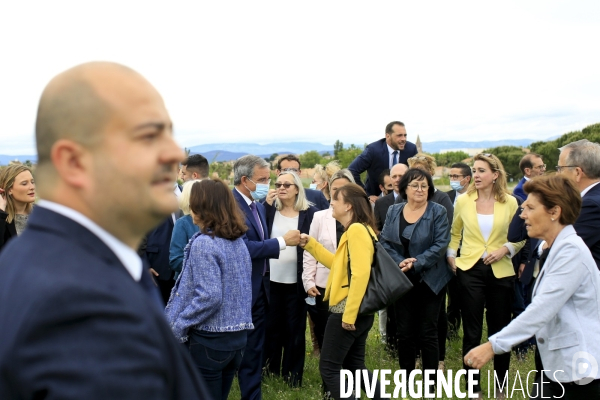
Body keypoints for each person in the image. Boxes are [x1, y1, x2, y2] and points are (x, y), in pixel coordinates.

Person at [0, 62, 208, 398]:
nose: (173, 154)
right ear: (74, 162)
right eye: (149, 136)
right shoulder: (77, 304)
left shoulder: (65, 260)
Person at [465, 175, 600, 399]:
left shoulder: (571, 251)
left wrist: (492, 346)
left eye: (530, 208)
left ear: (554, 212)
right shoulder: (553, 247)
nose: (523, 214)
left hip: (579, 373)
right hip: (558, 369)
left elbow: (542, 309)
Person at [166, 179, 253, 400]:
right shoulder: (237, 241)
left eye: (194, 204)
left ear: (204, 208)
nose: (190, 210)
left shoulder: (205, 243)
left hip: (209, 341)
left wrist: (180, 325)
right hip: (237, 339)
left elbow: (209, 296)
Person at [446, 153, 525, 399]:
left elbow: (521, 237)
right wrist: (451, 256)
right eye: (474, 170)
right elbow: (455, 233)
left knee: (500, 329)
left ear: (495, 175)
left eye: (481, 171)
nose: (476, 176)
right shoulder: (463, 201)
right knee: (471, 331)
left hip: (501, 271)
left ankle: (501, 387)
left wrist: (506, 249)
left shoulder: (511, 202)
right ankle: (473, 389)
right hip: (469, 270)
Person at [299, 183, 381, 400]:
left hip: (348, 310)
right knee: (355, 365)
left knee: (329, 369)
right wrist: (311, 245)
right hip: (357, 312)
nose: (331, 203)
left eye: (336, 199)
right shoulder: (357, 229)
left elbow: (361, 274)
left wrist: (349, 315)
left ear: (349, 206)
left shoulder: (356, 230)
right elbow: (339, 265)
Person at [232, 154, 301, 400]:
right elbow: (243, 249)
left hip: (261, 288)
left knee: (254, 350)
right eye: (262, 179)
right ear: (244, 179)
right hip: (239, 290)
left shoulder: (257, 206)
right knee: (235, 349)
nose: (267, 185)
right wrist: (282, 242)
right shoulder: (231, 206)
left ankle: (252, 394)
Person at [379, 169, 451, 386]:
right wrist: (401, 261)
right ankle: (407, 380)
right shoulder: (393, 210)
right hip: (402, 278)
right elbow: (384, 241)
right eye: (415, 185)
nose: (420, 189)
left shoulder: (437, 211)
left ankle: (431, 383)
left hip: (431, 279)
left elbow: (441, 244)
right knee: (404, 331)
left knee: (428, 331)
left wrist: (416, 261)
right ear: (405, 189)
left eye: (424, 185)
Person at [263, 171, 317, 386]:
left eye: (287, 184)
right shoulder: (267, 210)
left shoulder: (309, 213)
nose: (282, 187)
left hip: (297, 281)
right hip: (271, 280)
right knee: (271, 328)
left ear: (297, 189)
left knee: (294, 331)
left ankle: (293, 377)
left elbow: (315, 245)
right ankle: (269, 371)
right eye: (278, 184)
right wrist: (265, 205)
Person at [303, 169, 355, 353]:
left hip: (352, 284)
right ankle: (329, 368)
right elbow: (310, 250)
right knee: (326, 329)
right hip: (325, 284)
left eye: (344, 188)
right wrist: (308, 280)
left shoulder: (360, 218)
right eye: (335, 189)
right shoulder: (320, 216)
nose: (339, 193)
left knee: (348, 330)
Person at [556, 139, 600, 268]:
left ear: (577, 173)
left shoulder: (589, 205)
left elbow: (562, 248)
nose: (557, 175)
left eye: (560, 168)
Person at [349, 121, 417, 202]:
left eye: (405, 135)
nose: (403, 139)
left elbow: (417, 173)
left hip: (404, 197)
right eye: (399, 135)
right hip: (376, 199)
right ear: (388, 136)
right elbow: (352, 171)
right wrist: (366, 195)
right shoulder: (373, 150)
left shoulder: (411, 149)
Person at [445, 162, 472, 337]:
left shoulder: (476, 198)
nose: (453, 180)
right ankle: (451, 331)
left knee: (469, 295)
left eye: (456, 177)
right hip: (450, 252)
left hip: (470, 252)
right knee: (452, 295)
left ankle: (471, 329)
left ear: (467, 179)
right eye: (451, 176)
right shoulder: (445, 197)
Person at [169, 179, 201, 279]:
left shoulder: (214, 220)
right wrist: (202, 264)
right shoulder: (183, 223)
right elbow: (175, 260)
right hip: (189, 282)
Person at [0, 164, 36, 252]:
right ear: (9, 189)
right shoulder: (2, 218)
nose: (32, 187)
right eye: (24, 183)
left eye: (32, 182)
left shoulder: (41, 214)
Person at [374, 163, 408, 232]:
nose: (397, 180)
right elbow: (377, 231)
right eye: (394, 177)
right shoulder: (380, 203)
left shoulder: (417, 200)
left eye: (401, 176)